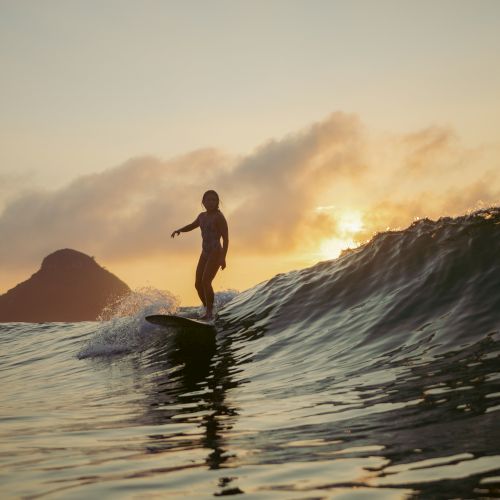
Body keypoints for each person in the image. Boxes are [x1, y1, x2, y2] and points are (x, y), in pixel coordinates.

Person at [171, 190, 228, 321]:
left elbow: (226, 239)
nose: (211, 202)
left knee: (206, 282)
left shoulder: (219, 217)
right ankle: (207, 308)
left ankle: (209, 312)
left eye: (214, 200)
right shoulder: (202, 216)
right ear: (203, 202)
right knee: (197, 284)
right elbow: (192, 225)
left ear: (217, 202)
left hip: (215, 253)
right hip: (205, 253)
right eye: (208, 200)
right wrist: (180, 230)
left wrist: (223, 257)